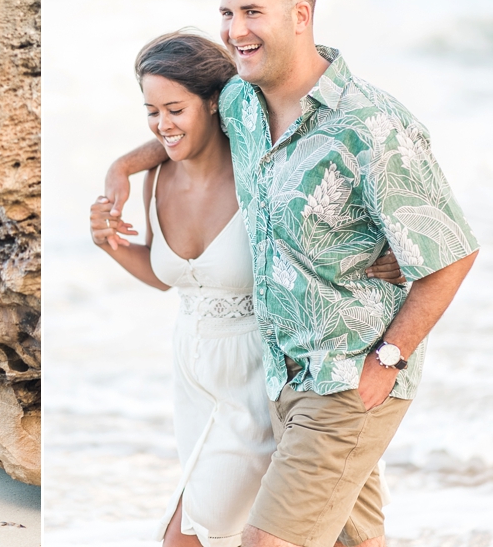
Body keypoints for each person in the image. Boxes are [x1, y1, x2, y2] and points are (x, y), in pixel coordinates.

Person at [102, 0, 479, 547]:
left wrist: (389, 359)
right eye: (227, 14)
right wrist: (124, 165)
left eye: (253, 12)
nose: (235, 31)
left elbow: (452, 252)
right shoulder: (241, 104)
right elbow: (181, 125)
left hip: (347, 375)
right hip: (278, 375)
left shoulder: (372, 125)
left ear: (301, 15)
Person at [90, 33, 403, 547]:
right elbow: (175, 278)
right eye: (151, 111)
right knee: (329, 527)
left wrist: (380, 255)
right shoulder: (156, 178)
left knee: (191, 534)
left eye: (175, 109)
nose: (163, 125)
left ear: (215, 102)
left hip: (261, 371)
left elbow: (332, 189)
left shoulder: (258, 167)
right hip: (193, 375)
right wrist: (111, 241)